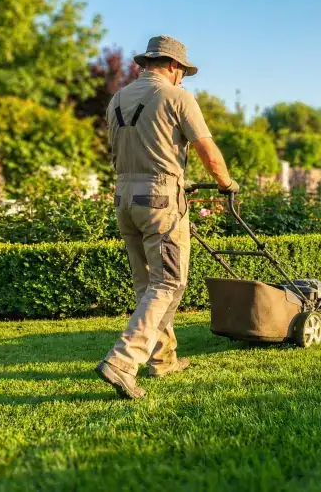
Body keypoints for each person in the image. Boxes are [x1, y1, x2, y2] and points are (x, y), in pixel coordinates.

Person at [95, 35, 238, 399]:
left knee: (147, 285)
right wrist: (226, 182)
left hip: (124, 197)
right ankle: (123, 361)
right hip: (160, 201)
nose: (182, 78)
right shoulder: (178, 97)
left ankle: (163, 358)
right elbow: (206, 148)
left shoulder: (117, 99)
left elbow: (123, 150)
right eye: (182, 72)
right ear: (173, 66)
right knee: (168, 283)